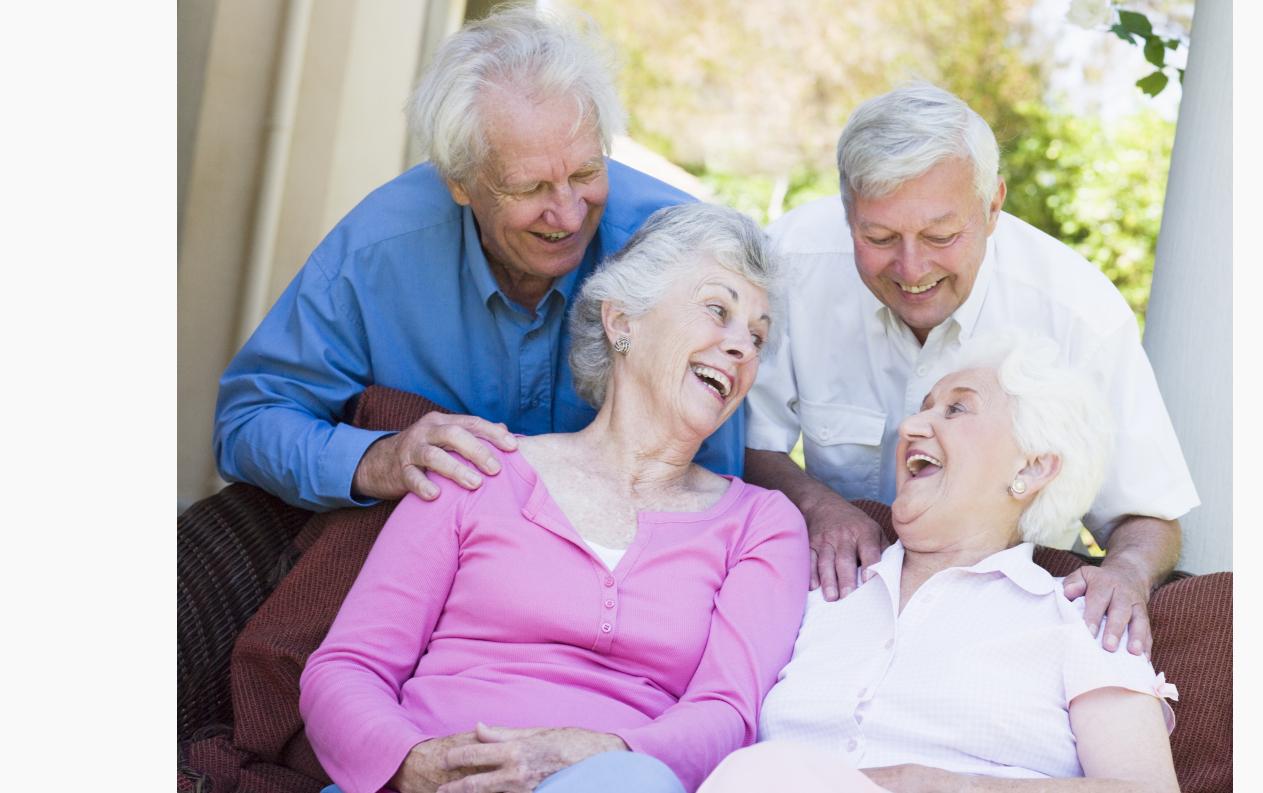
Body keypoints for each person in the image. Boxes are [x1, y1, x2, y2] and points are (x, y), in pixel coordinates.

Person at [298, 202, 810, 793]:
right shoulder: (480, 467)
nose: (742, 348)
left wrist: (601, 755)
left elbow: (728, 713)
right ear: (622, 320)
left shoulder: (761, 525)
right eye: (718, 311)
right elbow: (347, 668)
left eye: (757, 337)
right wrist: (415, 764)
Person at [213, 7, 745, 513]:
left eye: (585, 174)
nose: (567, 214)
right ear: (459, 183)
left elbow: (718, 480)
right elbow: (248, 422)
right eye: (530, 188)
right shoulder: (377, 252)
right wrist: (379, 459)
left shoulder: (683, 257)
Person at [745, 81, 1199, 654]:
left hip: (1008, 620)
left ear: (992, 207)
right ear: (847, 213)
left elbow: (1148, 515)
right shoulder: (790, 263)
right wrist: (816, 506)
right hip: (843, 596)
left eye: (941, 236)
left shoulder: (1081, 314)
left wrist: (1126, 573)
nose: (912, 268)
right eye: (879, 237)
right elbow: (742, 441)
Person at [701, 334, 1180, 793]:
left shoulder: (1084, 617)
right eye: (922, 409)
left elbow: (1146, 789)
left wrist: (943, 785)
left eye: (956, 409)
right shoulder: (817, 584)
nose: (910, 427)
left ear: (1032, 467)